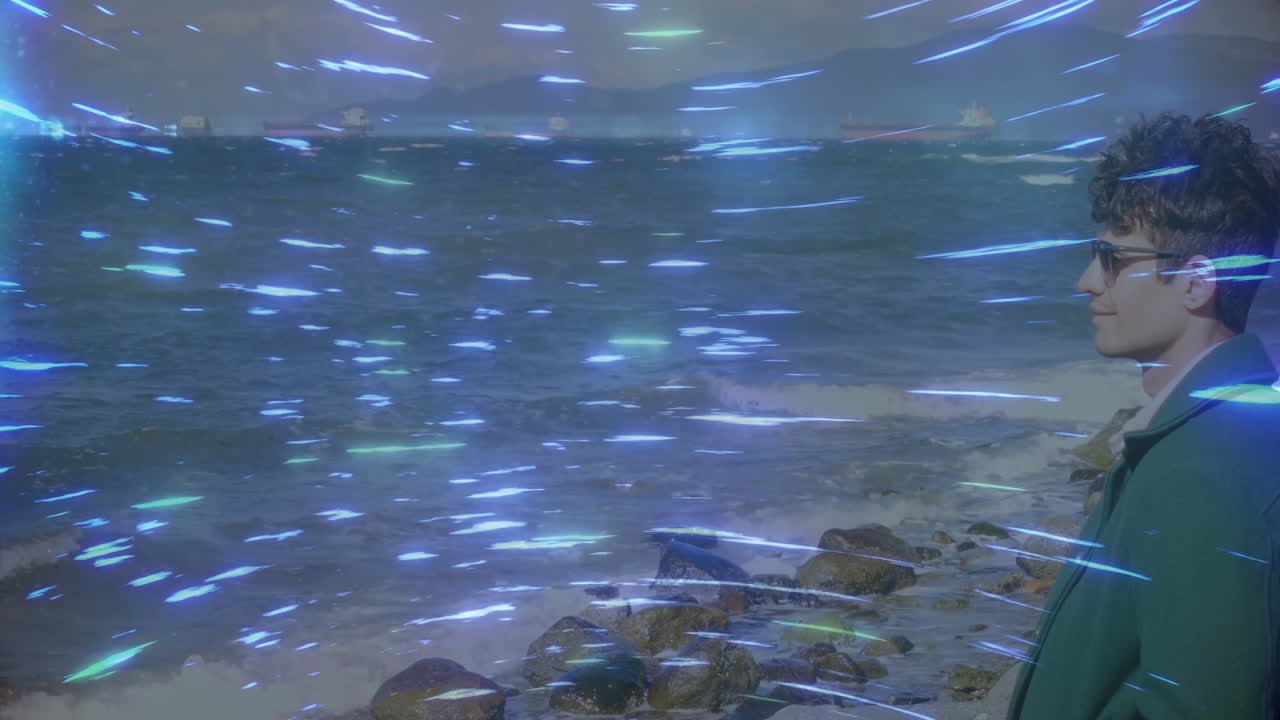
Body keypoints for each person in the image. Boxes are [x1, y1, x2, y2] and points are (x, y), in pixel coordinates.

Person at [1006, 111, 1280, 718]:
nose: (1086, 282)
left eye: (1114, 259)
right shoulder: (1215, 431)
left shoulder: (1208, 472)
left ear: (1197, 282)